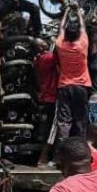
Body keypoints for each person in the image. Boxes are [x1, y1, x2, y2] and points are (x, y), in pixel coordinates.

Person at [55, 5, 91, 141]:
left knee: (64, 121)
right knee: (80, 120)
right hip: (81, 86)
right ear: (77, 35)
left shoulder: (60, 45)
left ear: (66, 35)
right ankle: (80, 147)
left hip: (64, 86)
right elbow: (82, 27)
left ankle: (63, 148)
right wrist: (78, 11)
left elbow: (61, 28)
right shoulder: (83, 44)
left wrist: (66, 12)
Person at [34, 38, 59, 168]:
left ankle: (48, 157)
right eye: (42, 43)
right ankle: (43, 158)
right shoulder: (48, 58)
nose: (45, 43)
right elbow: (59, 57)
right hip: (52, 97)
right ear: (40, 48)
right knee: (53, 129)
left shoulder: (38, 60)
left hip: (46, 97)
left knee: (49, 127)